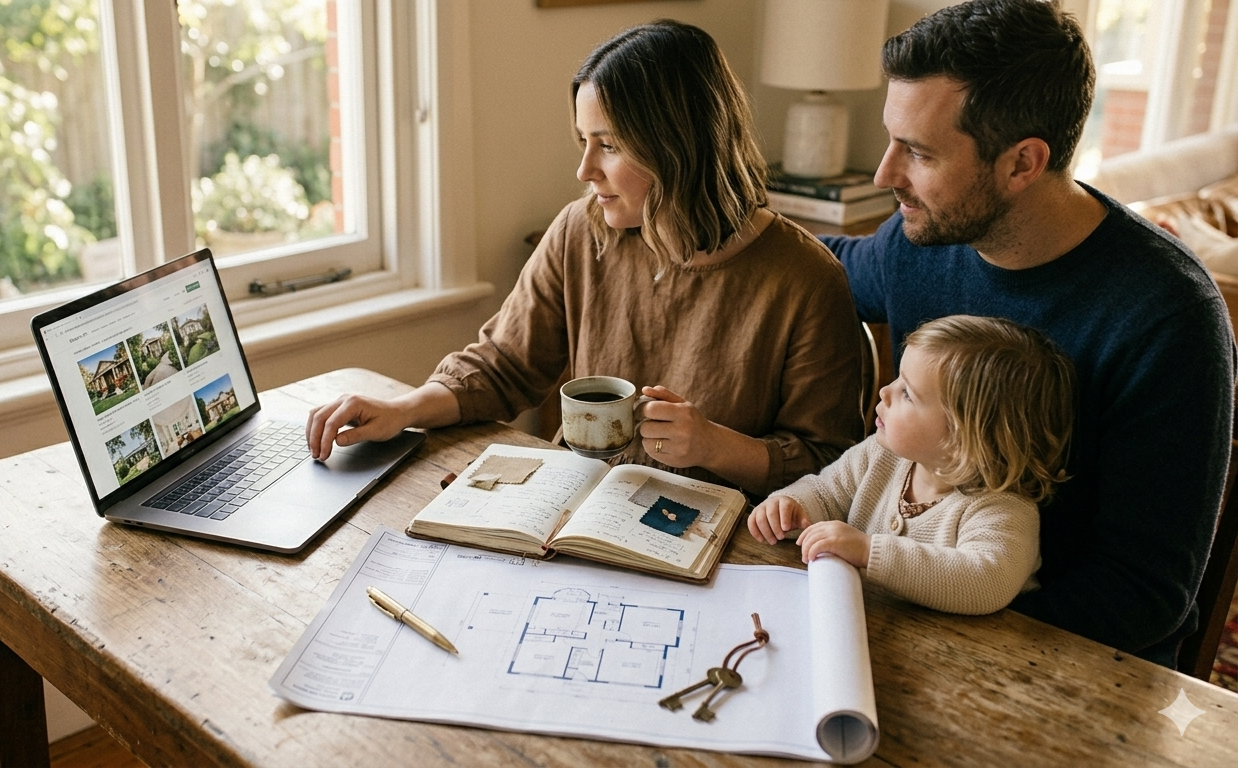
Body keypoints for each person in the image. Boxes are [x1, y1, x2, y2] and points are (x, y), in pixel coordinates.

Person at [820, 0, 1235, 664]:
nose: (884, 174)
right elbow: (825, 268)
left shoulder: (1168, 318)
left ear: (1021, 164)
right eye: (892, 139)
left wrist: (925, 630)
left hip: (1058, 665)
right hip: (893, 621)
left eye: (919, 153)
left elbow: (1144, 595)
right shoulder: (918, 240)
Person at [307, 20, 864, 496]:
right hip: (576, 512)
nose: (585, 171)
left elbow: (829, 466)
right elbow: (502, 367)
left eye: (611, 144)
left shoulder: (807, 281)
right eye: (583, 141)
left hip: (717, 547)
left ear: (679, 146)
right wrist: (402, 409)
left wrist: (715, 445)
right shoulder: (581, 231)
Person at [748, 315, 1075, 615]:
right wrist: (791, 506)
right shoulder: (881, 454)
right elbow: (825, 491)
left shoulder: (1004, 508)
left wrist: (868, 551)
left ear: (960, 438)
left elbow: (987, 579)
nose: (885, 391)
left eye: (908, 393)